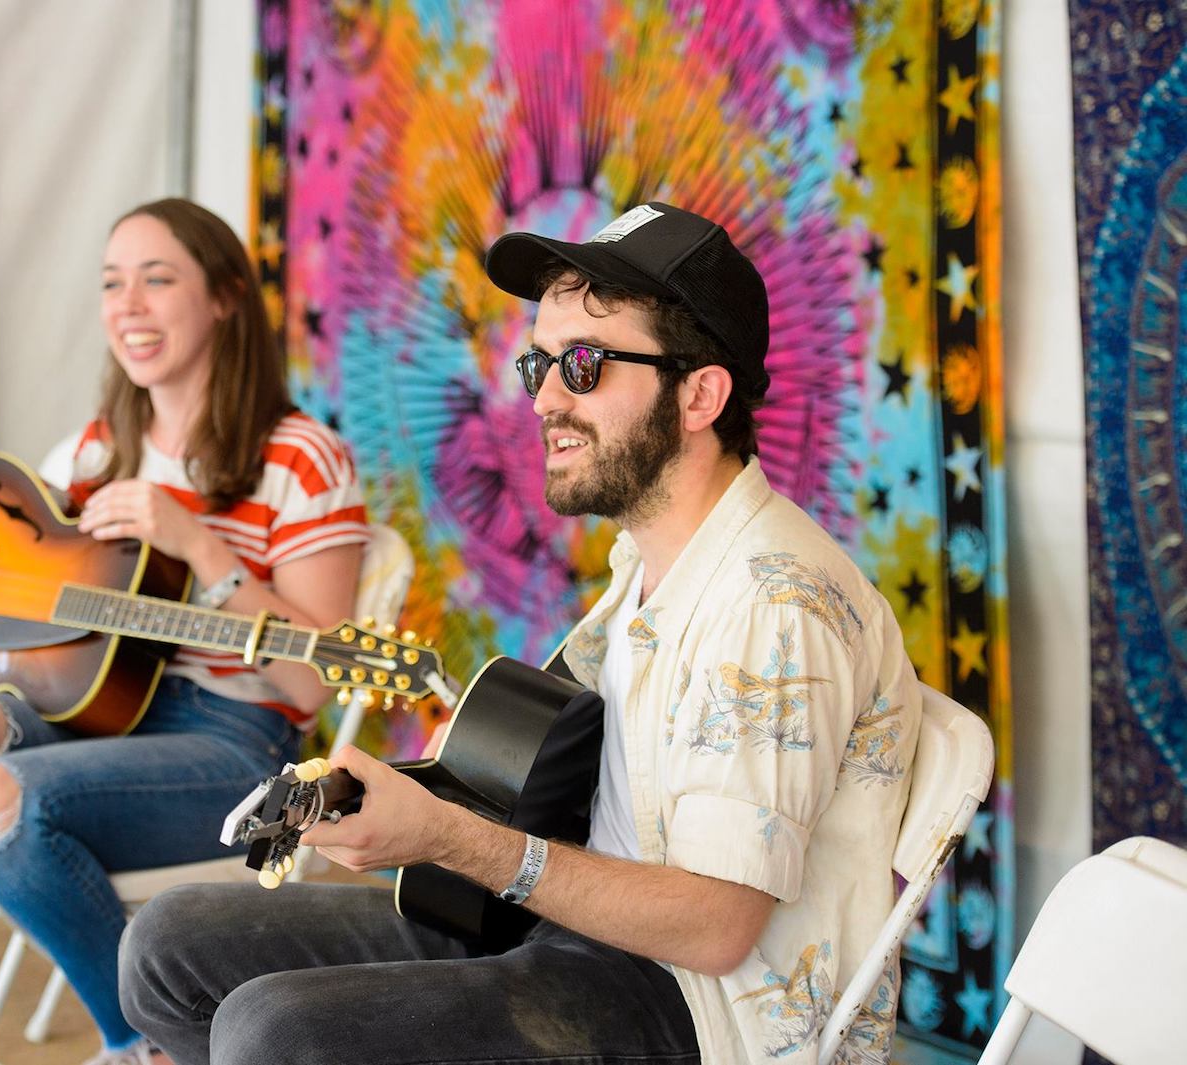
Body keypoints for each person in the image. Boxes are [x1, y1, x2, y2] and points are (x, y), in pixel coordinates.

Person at [117, 202, 922, 1065]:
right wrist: (404, 803)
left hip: (703, 1012)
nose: (542, 397)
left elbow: (717, 924)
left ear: (700, 393)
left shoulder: (777, 601)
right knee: (168, 946)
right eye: (541, 360)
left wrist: (450, 839)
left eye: (582, 365)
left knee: (272, 1031)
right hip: (568, 925)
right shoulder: (645, 563)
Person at [0, 198, 369, 1065]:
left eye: (157, 280)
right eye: (111, 283)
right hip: (99, 712)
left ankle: (146, 1045)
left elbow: (312, 686)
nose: (128, 305)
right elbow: (26, 585)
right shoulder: (94, 452)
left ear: (228, 298)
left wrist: (198, 544)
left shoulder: (304, 457)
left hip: (237, 742)